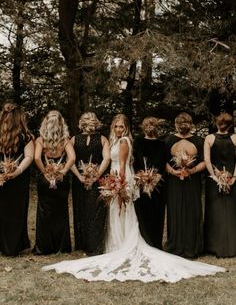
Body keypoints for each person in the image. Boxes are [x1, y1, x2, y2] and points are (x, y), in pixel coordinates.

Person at [43, 113, 225, 282]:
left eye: (121, 127)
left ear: (126, 128)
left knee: (121, 211)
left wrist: (119, 185)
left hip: (120, 177)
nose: (118, 129)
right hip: (115, 176)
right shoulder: (116, 140)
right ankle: (116, 244)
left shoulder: (123, 142)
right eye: (116, 126)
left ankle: (122, 245)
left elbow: (121, 166)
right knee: (115, 213)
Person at [34, 110, 75, 254]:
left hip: (45, 179)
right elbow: (72, 158)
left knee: (44, 211)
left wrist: (44, 172)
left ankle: (43, 247)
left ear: (46, 123)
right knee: (61, 211)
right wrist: (63, 172)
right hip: (60, 178)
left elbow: (37, 158)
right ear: (61, 124)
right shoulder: (65, 140)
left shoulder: (40, 140)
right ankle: (61, 247)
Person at [165, 113, 205, 258]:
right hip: (174, 181)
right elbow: (163, 161)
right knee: (175, 209)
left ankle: (192, 246)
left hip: (192, 181)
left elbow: (205, 161)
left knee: (192, 209)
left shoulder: (199, 141)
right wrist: (173, 172)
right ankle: (175, 244)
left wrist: (192, 170)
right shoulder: (169, 140)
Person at [71, 112, 110, 255]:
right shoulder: (74, 139)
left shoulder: (103, 139)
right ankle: (81, 243)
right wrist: (79, 176)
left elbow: (106, 159)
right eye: (87, 122)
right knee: (80, 207)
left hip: (97, 179)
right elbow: (71, 160)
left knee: (95, 210)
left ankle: (94, 244)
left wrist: (96, 176)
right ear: (82, 123)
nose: (90, 125)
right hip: (78, 180)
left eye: (92, 122)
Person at [0, 102, 34, 256]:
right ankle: (13, 246)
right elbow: (29, 157)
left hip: (4, 177)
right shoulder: (26, 136)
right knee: (16, 211)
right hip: (18, 179)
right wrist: (17, 171)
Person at [204, 112, 236, 257]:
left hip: (215, 180)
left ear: (217, 123)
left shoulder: (209, 138)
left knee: (216, 212)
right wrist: (234, 177)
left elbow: (207, 161)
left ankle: (214, 246)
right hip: (230, 180)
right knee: (229, 212)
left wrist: (215, 176)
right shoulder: (235, 138)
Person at [133, 117, 166, 249]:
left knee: (156, 213)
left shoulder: (162, 144)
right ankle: (147, 242)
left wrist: (154, 179)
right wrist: (141, 177)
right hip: (141, 183)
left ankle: (155, 243)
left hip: (157, 185)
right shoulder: (138, 142)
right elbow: (134, 162)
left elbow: (163, 164)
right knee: (145, 213)